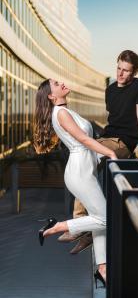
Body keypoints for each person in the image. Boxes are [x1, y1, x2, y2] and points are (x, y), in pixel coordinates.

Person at [60, 50, 138, 254]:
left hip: (122, 143)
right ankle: (86, 228)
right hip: (106, 138)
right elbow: (114, 119)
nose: (121, 74)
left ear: (134, 72)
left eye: (126, 71)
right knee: (81, 162)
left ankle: (79, 224)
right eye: (119, 68)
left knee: (87, 160)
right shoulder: (111, 90)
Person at [33, 79, 117, 283]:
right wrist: (110, 153)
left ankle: (103, 269)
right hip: (79, 172)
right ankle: (57, 226)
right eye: (55, 84)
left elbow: (87, 143)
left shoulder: (66, 111)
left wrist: (100, 157)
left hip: (85, 170)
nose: (61, 83)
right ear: (52, 96)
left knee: (100, 219)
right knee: (106, 218)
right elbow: (84, 140)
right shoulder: (60, 113)